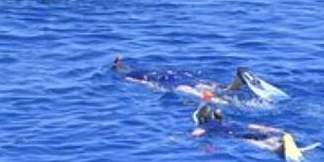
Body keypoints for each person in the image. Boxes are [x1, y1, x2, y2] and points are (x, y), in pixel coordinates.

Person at [190, 102, 312, 162]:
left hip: (241, 136)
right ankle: (280, 141)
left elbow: (196, 133)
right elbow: (256, 127)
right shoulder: (232, 123)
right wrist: (278, 130)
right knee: (267, 138)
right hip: (246, 131)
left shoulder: (209, 125)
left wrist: (186, 137)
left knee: (258, 143)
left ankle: (279, 148)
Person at [113, 58, 286, 101]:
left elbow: (146, 83)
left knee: (195, 93)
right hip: (184, 77)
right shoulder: (149, 68)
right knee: (212, 87)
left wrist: (155, 88)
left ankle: (228, 102)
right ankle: (237, 82)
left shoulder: (129, 76)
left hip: (176, 84)